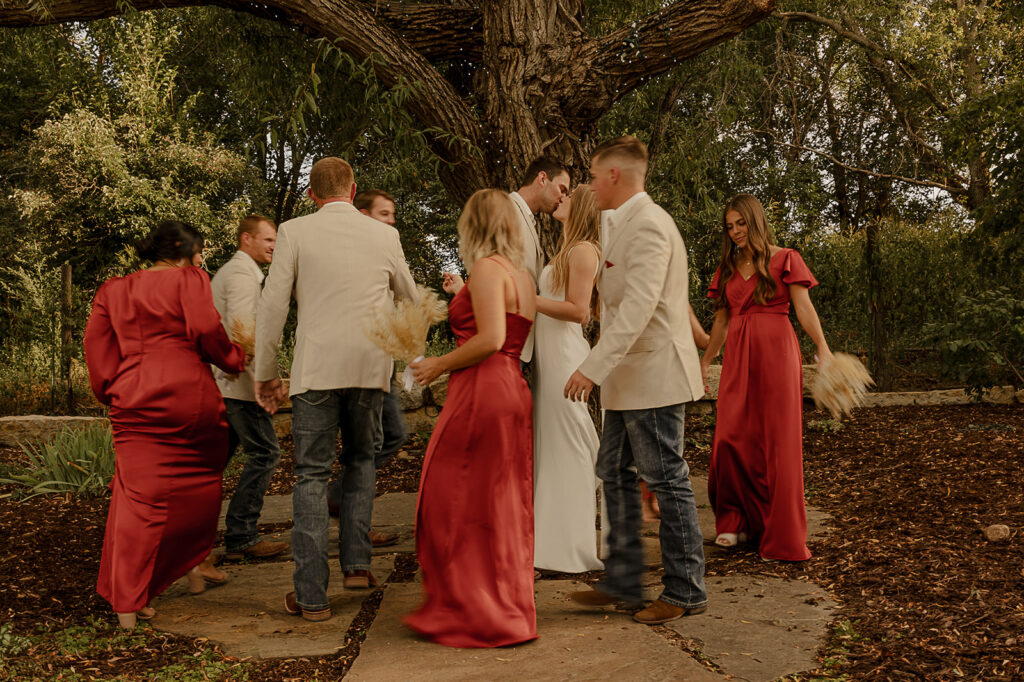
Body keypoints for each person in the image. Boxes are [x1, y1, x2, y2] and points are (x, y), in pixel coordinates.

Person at [253, 158, 417, 622]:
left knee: (309, 476)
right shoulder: (384, 235)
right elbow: (408, 297)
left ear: (311, 194)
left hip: (316, 371)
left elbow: (272, 306)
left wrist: (266, 372)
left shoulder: (293, 231)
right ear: (353, 189)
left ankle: (311, 598)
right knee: (362, 460)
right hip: (369, 368)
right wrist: (411, 357)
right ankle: (358, 566)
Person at [566, 136, 707, 625]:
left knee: (667, 481)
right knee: (613, 471)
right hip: (630, 378)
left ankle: (685, 590)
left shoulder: (649, 225)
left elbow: (638, 310)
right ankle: (623, 579)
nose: (587, 184)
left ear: (613, 176)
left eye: (591, 174)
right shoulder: (620, 222)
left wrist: (591, 367)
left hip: (653, 374)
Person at [84, 220, 247, 629]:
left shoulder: (113, 290)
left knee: (137, 499)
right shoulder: (190, 279)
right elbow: (208, 331)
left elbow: (97, 347)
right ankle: (184, 566)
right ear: (189, 252)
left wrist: (111, 390)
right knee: (197, 492)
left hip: (133, 401)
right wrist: (233, 359)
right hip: (187, 396)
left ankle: (128, 603)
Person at [404, 189, 537, 647]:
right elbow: (508, 329)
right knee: (496, 501)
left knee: (448, 498)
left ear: (473, 224)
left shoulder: (486, 268)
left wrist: (438, 364)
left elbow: (492, 337)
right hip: (512, 388)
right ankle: (504, 606)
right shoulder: (520, 272)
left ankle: (472, 606)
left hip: (481, 389)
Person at [700, 194, 831, 562]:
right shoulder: (727, 267)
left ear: (755, 221)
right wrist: (705, 359)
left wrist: (822, 346)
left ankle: (781, 534)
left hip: (776, 351)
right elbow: (722, 320)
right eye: (729, 226)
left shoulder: (785, 258)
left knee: (776, 440)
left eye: (740, 223)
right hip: (738, 355)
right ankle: (734, 519)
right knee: (730, 436)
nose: (736, 231)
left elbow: (803, 307)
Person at [325, 189, 405, 549]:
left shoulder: (384, 247)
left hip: (382, 358)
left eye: (392, 214)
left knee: (387, 437)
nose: (391, 221)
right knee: (372, 443)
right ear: (363, 214)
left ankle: (344, 502)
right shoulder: (352, 252)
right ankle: (353, 522)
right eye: (384, 213)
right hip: (361, 361)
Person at [531, 184, 604, 573]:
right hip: (549, 358)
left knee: (571, 445)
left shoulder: (583, 250)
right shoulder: (566, 249)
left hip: (564, 358)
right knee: (555, 447)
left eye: (570, 196)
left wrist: (524, 298)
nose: (562, 198)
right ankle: (549, 545)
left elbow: (578, 310)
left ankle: (573, 550)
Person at [211, 215, 290, 562]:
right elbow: (242, 337)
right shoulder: (242, 275)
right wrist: (266, 381)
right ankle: (241, 534)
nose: (274, 246)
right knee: (266, 453)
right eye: (268, 240)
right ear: (247, 239)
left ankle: (197, 535)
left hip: (229, 384)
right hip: (239, 386)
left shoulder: (240, 272)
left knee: (215, 463)